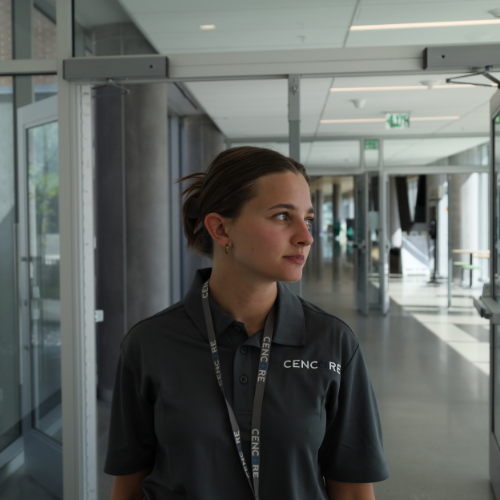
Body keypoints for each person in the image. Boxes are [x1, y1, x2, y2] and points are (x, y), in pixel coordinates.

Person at [104, 146, 389, 500]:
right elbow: (128, 486)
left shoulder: (332, 342)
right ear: (221, 230)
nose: (306, 236)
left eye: (308, 218)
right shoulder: (149, 343)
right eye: (283, 216)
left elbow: (352, 489)